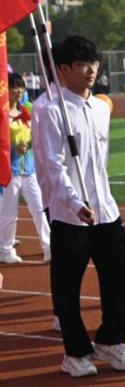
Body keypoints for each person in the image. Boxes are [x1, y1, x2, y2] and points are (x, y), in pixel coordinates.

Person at [41, 35, 125, 378]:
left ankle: (111, 340)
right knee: (67, 286)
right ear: (63, 69)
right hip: (70, 214)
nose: (90, 70)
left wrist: (101, 199)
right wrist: (73, 201)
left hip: (105, 209)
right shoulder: (51, 111)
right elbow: (52, 166)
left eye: (93, 63)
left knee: (121, 275)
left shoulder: (99, 108)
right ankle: (75, 352)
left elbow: (99, 162)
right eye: (82, 64)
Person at [0, 73, 50, 264]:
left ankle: (49, 247)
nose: (19, 90)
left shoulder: (26, 111)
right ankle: (5, 249)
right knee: (9, 214)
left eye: (21, 87)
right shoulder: (2, 115)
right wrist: (14, 149)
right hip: (10, 172)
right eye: (15, 87)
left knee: (39, 209)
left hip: (29, 171)